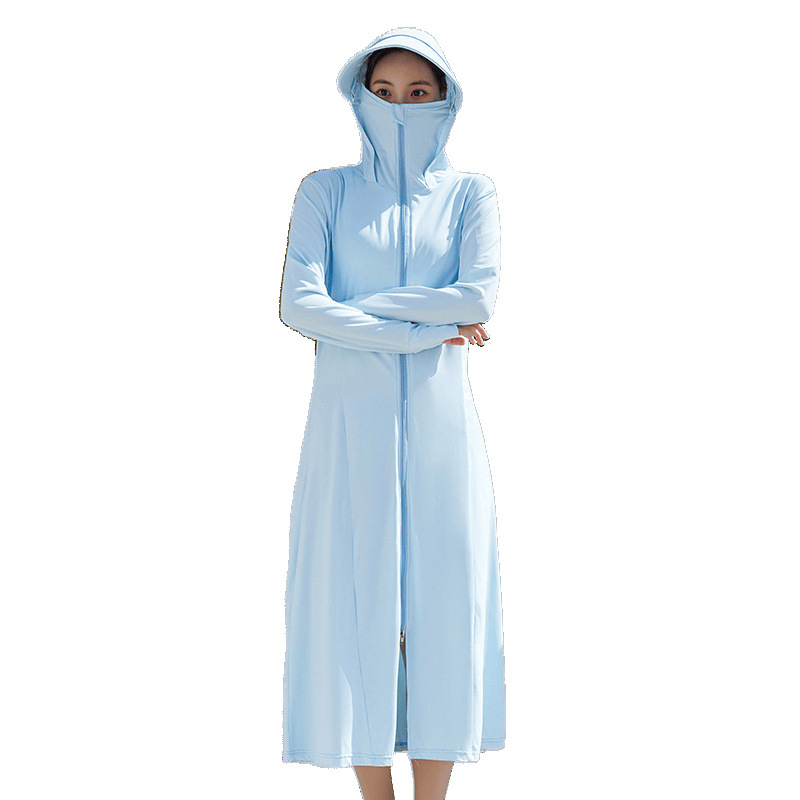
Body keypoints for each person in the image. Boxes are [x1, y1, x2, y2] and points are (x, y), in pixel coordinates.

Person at [280, 28, 506, 800]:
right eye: (384, 93)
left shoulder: (471, 196)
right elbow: (298, 305)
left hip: (444, 436)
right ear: (359, 95)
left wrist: (354, 311)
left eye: (418, 93)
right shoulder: (325, 193)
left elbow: (477, 296)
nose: (400, 107)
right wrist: (425, 327)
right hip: (348, 433)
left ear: (444, 101)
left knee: (440, 613)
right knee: (357, 609)